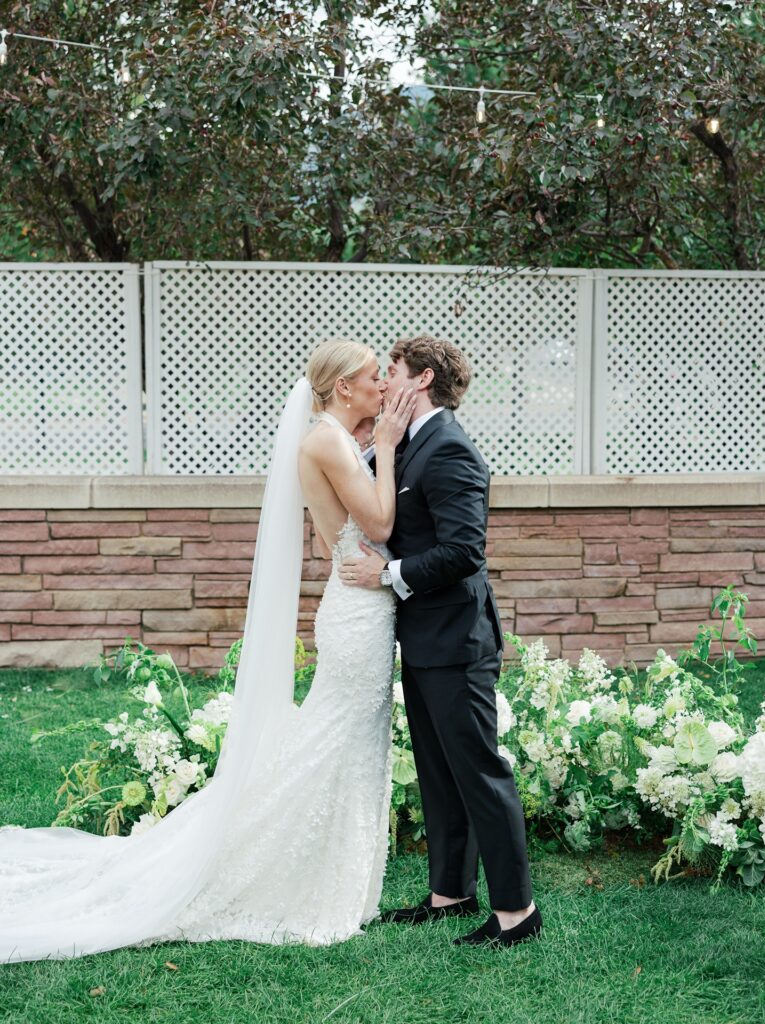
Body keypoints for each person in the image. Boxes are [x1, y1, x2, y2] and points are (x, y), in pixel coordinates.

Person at [0, 340, 415, 962]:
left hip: (357, 598)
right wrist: (384, 444)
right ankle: (254, 860)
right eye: (372, 377)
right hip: (356, 610)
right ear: (341, 388)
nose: (383, 385)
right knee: (336, 737)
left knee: (348, 739)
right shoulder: (329, 440)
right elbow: (378, 527)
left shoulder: (334, 438)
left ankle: (322, 873)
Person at [341, 335, 542, 948]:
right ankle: (450, 893)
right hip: (424, 637)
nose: (384, 380)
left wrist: (387, 575)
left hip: (457, 638)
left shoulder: (450, 448)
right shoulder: (410, 442)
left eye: (392, 370)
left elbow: (463, 551)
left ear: (421, 379)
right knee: (439, 769)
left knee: (480, 771)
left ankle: (517, 913)